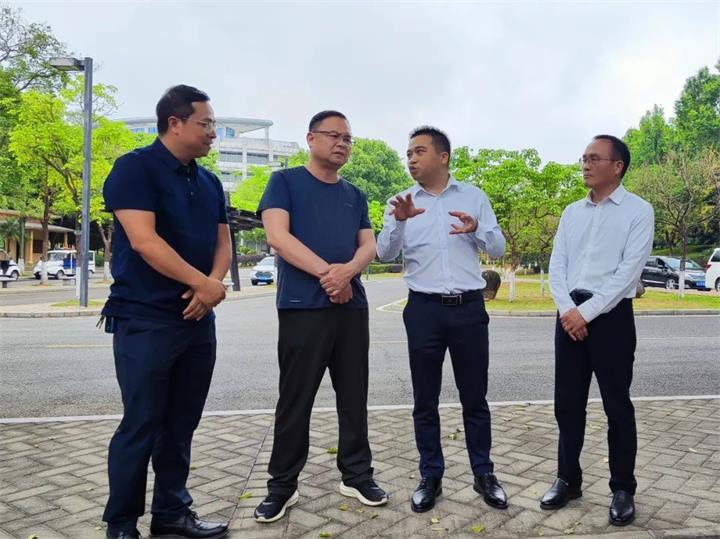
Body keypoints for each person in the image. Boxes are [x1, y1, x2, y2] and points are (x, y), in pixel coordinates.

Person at [101, 85, 231, 539]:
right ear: (174, 123)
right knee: (141, 422)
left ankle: (172, 512)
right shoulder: (134, 168)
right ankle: (121, 523)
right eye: (206, 123)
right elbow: (144, 240)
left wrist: (212, 286)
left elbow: (223, 242)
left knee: (181, 423)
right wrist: (203, 284)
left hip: (198, 319)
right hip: (145, 318)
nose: (212, 132)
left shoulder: (209, 181)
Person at [252, 110, 387, 523]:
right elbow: (277, 237)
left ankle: (357, 474)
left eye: (348, 138)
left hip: (351, 308)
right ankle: (282, 485)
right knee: (296, 399)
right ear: (311, 138)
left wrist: (348, 273)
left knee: (354, 396)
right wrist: (330, 274)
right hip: (303, 308)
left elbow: (369, 245)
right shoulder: (284, 182)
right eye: (334, 135)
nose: (342, 143)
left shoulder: (355, 194)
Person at [377, 126, 508, 513]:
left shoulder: (473, 196)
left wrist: (477, 228)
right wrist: (400, 222)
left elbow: (499, 248)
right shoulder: (399, 202)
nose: (411, 159)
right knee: (425, 399)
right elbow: (385, 254)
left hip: (469, 309)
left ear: (443, 156)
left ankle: (484, 473)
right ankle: (430, 475)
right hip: (423, 310)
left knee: (475, 398)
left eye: (419, 151)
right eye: (408, 153)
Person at [543, 135, 654, 527]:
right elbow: (557, 265)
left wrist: (585, 314)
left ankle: (622, 488)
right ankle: (567, 479)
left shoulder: (638, 211)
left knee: (617, 406)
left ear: (617, 166)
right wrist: (567, 310)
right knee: (567, 404)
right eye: (584, 158)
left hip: (611, 319)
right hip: (569, 317)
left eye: (594, 159)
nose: (585, 165)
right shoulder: (572, 212)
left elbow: (627, 273)